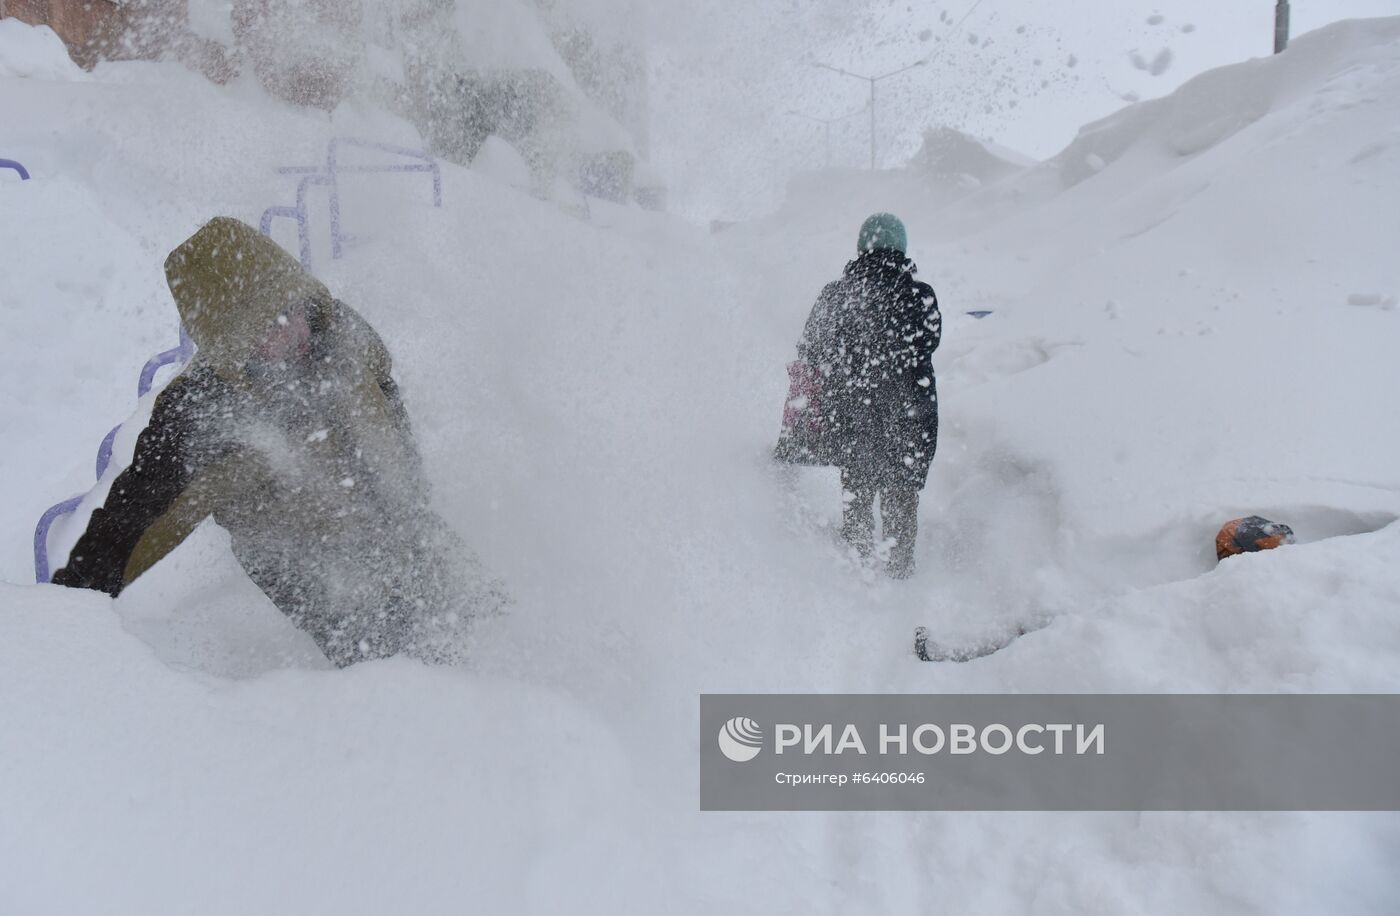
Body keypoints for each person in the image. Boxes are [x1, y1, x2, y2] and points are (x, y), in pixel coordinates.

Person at [51, 217, 494, 666]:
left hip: (391, 516)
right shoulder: (199, 414)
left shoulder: (337, 328)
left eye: (292, 312)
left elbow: (384, 389)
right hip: (301, 556)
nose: (291, 333)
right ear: (230, 341)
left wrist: (409, 485)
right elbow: (132, 518)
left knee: (484, 613)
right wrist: (57, 619)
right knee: (399, 659)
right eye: (266, 329)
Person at [780, 213, 941, 578]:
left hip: (855, 415)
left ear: (861, 246)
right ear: (901, 247)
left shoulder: (837, 295)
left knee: (858, 492)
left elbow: (812, 348)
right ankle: (901, 580)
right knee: (901, 497)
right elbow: (929, 342)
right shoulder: (920, 295)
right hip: (910, 418)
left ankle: (858, 579)